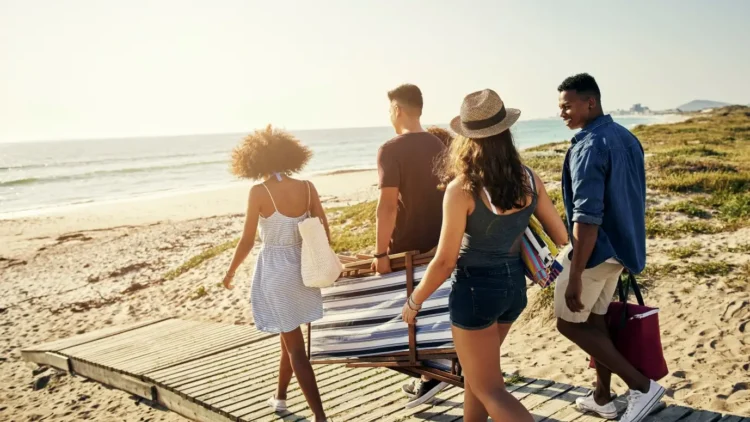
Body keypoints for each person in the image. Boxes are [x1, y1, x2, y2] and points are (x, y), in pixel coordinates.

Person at [401, 89, 568, 422]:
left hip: (475, 293)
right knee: (476, 380)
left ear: (466, 139)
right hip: (513, 290)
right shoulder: (529, 179)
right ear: (506, 132)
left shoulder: (462, 189)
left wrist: (415, 301)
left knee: (490, 388)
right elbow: (562, 236)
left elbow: (446, 261)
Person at [554, 73, 664, 422]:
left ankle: (642, 387)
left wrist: (575, 273)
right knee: (596, 320)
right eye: (560, 107)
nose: (563, 113)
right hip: (621, 251)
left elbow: (587, 217)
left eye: (567, 105)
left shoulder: (588, 146)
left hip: (595, 252)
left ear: (591, 102)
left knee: (568, 324)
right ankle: (602, 397)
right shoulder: (628, 139)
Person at [222, 125, 331, 422]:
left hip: (276, 271)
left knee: (296, 348)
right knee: (291, 335)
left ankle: (320, 417)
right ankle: (280, 397)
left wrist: (231, 270)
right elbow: (323, 228)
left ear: (254, 160)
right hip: (304, 269)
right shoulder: (307, 187)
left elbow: (246, 241)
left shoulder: (260, 191)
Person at [370, 84, 449, 408]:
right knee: (430, 314)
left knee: (397, 321)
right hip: (440, 244)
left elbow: (387, 205)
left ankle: (430, 378)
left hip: (407, 249)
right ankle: (429, 376)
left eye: (390, 109)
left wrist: (380, 253)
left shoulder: (391, 149)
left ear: (398, 110)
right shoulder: (440, 144)